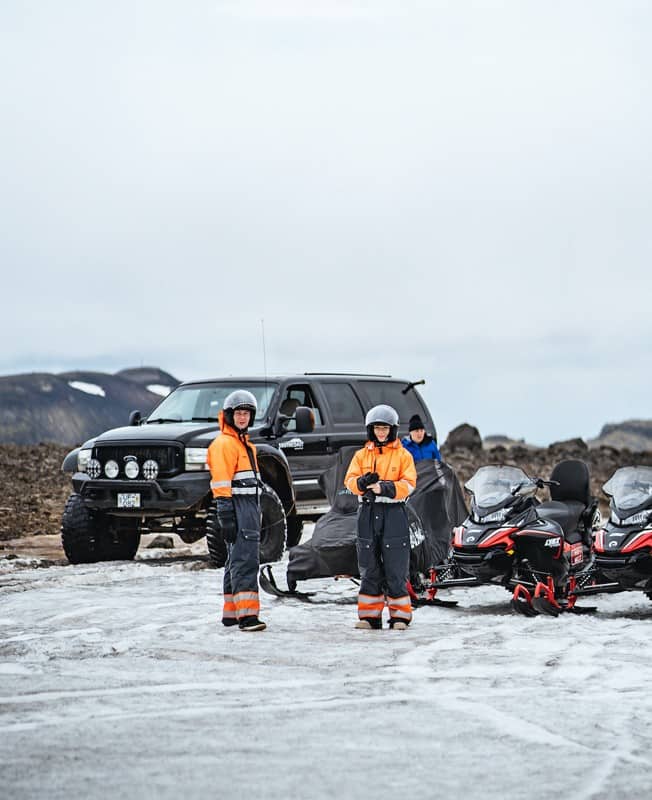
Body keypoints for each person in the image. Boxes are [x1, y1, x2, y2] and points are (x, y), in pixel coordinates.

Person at [344, 405, 417, 630]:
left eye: (385, 428)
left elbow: (409, 484)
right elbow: (349, 481)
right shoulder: (360, 455)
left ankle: (400, 617)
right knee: (369, 565)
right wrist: (362, 483)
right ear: (371, 430)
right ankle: (369, 616)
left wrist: (384, 488)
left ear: (392, 429)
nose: (381, 432)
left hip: (394, 514)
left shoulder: (403, 455)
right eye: (377, 428)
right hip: (367, 513)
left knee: (396, 566)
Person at [207, 390, 266, 632]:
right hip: (238, 507)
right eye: (238, 413)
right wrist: (226, 514)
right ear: (229, 416)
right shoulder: (224, 444)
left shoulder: (245, 445)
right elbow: (221, 483)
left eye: (246, 413)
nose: (242, 417)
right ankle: (248, 617)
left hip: (248, 507)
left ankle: (231, 614)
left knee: (236, 560)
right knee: (245, 561)